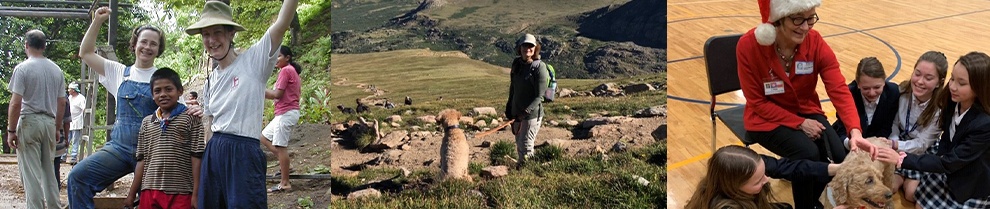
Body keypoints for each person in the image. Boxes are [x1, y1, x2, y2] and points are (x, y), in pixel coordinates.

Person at [736, 1, 878, 208]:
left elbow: (838, 88)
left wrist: (855, 131)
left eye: (810, 18)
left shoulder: (815, 42)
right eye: (798, 19)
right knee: (808, 154)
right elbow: (757, 102)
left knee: (840, 155)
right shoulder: (748, 46)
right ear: (778, 19)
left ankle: (818, 202)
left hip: (807, 111)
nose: (805, 27)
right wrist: (800, 123)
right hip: (765, 119)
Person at [184, 0, 298, 207]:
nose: (211, 40)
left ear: (231, 34)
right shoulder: (211, 80)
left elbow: (282, 23)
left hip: (244, 152)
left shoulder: (254, 62)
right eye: (205, 35)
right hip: (214, 152)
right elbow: (210, 125)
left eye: (217, 32)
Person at [70, 6, 169, 208]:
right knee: (77, 178)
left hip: (153, 153)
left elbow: (179, 112)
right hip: (119, 149)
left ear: (159, 49)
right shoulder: (118, 72)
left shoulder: (164, 78)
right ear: (134, 45)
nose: (147, 47)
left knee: (154, 200)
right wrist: (97, 21)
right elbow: (86, 52)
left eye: (153, 44)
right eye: (143, 42)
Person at [881, 51, 990, 208]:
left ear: (980, 87)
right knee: (918, 201)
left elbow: (951, 161)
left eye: (962, 83)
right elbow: (946, 144)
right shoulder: (952, 100)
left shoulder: (984, 124)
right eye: (953, 79)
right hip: (948, 167)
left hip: (969, 182)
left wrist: (900, 159)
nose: (952, 86)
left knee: (916, 199)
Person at [123, 68, 205, 209]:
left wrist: (196, 194)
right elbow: (141, 160)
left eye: (168, 89)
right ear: (152, 95)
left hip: (182, 191)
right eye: (157, 91)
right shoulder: (147, 122)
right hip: (149, 190)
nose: (163, 94)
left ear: (180, 91)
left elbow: (197, 157)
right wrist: (131, 194)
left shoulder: (191, 118)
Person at [6, 29, 66, 209]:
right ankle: (55, 206)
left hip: (29, 121)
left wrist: (11, 131)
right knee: (49, 170)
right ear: (44, 46)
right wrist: (57, 127)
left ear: (26, 45)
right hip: (49, 122)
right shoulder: (56, 69)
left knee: (31, 174)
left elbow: (16, 103)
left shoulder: (23, 68)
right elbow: (62, 102)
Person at [685, 145, 847, 209]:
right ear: (734, 187)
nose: (766, 180)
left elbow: (790, 168)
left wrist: (839, 168)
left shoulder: (749, 166)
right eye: (758, 181)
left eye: (764, 174)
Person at [888, 51, 948, 204]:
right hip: (898, 143)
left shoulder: (940, 108)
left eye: (928, 78)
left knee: (911, 194)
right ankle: (901, 176)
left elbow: (921, 144)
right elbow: (893, 124)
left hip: (922, 151)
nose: (920, 81)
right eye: (917, 74)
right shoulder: (901, 91)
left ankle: (909, 177)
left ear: (939, 82)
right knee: (889, 187)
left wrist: (896, 146)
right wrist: (893, 142)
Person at [261, 46, 303, 193]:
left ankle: (285, 183)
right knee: (263, 136)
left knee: (280, 146)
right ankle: (286, 165)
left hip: (286, 113)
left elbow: (277, 94)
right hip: (284, 113)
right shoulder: (290, 71)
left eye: (278, 56)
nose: (276, 60)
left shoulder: (286, 70)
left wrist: (259, 90)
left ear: (287, 57)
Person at [505, 33, 549, 168]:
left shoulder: (539, 67)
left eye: (531, 46)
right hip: (516, 113)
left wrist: (524, 113)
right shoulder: (517, 63)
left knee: (526, 145)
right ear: (520, 47)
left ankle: (528, 173)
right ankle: (522, 168)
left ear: (535, 48)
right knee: (520, 143)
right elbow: (513, 87)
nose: (527, 49)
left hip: (531, 115)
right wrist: (509, 108)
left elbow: (539, 96)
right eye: (525, 45)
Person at [832, 57, 899, 144]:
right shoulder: (847, 95)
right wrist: (851, 143)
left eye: (877, 87)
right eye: (866, 88)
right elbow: (842, 131)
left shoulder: (893, 92)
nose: (872, 93)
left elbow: (887, 127)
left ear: (884, 81)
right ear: (858, 83)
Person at [66, 82, 86, 163]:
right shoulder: (70, 97)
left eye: (69, 89)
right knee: (67, 138)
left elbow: (84, 109)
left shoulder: (81, 98)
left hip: (77, 121)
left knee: (75, 140)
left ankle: (74, 156)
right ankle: (64, 155)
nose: (68, 90)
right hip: (69, 121)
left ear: (73, 90)